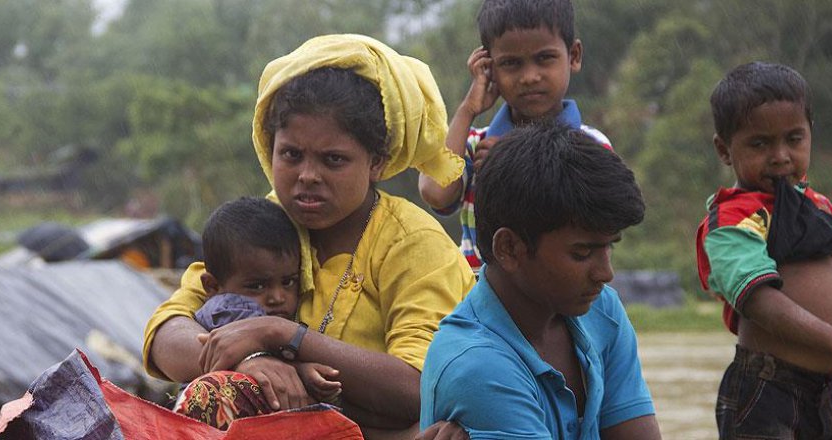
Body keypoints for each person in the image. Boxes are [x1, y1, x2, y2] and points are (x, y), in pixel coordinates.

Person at [142, 34, 475, 439]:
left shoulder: (414, 244)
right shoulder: (260, 222)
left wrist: (282, 334)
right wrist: (250, 363)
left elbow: (417, 388)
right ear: (271, 148)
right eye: (291, 155)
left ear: (376, 162)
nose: (307, 176)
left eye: (333, 160)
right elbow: (166, 332)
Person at [419, 123, 661, 439]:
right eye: (582, 252)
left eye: (609, 246)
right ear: (509, 248)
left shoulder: (602, 311)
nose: (606, 273)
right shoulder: (477, 366)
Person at [695, 61, 832, 439]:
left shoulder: (818, 206)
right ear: (724, 149)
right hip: (769, 388)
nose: (781, 155)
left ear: (811, 135)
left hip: (827, 390)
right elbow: (756, 299)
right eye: (760, 143)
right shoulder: (733, 218)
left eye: (794, 139)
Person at [418, 0, 612, 272]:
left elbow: (592, 219)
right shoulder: (475, 144)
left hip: (560, 298)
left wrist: (512, 164)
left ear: (574, 56)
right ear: (489, 68)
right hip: (481, 302)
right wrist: (468, 109)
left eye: (544, 58)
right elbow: (435, 192)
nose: (530, 76)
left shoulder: (590, 144)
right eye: (511, 63)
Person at [172, 197, 342, 429]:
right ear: (212, 287)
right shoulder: (228, 311)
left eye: (288, 281)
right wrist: (300, 371)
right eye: (257, 286)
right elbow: (254, 357)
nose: (277, 297)